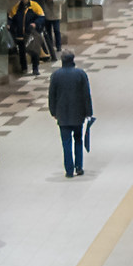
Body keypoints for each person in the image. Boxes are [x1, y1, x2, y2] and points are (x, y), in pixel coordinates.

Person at [49, 48, 95, 178]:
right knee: (78, 140)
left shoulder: (56, 75)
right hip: (78, 113)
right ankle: (79, 167)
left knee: (66, 142)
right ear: (73, 59)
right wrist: (88, 112)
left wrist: (53, 111)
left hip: (62, 114)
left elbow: (52, 95)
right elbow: (86, 95)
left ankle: (69, 170)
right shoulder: (80, 74)